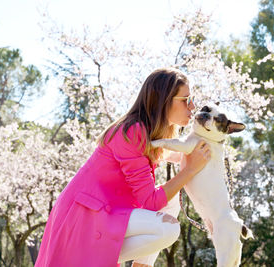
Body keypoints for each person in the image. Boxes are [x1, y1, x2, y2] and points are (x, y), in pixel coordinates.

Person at [35, 68, 211, 267]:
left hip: (104, 212)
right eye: (185, 99)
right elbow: (150, 202)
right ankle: (94, 256)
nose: (192, 106)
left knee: (171, 204)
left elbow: (182, 154)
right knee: (168, 229)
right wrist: (189, 170)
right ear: (163, 100)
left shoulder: (148, 134)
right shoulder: (132, 131)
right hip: (84, 217)